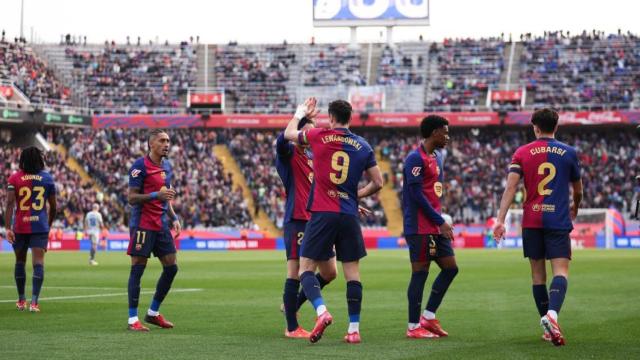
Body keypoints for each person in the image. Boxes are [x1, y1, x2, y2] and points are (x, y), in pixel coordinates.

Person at [284, 98, 384, 344]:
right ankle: (353, 329)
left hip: (322, 212)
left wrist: (299, 113)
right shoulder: (363, 145)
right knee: (352, 273)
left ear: (331, 117)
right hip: (349, 215)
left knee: (305, 268)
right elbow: (378, 182)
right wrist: (354, 195)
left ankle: (321, 311)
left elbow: (288, 134)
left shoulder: (320, 135)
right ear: (350, 117)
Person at [493, 108, 582, 347]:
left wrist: (500, 219)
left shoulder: (522, 152)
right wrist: (576, 206)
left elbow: (510, 188)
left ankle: (546, 325)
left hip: (532, 221)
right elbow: (578, 190)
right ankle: (552, 316)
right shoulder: (569, 152)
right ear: (557, 126)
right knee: (560, 272)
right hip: (558, 220)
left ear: (535, 127)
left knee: (537, 276)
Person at [276, 115, 338, 339]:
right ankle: (291, 327)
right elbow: (281, 140)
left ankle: (292, 304)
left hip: (318, 220)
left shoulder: (313, 157)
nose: (310, 136)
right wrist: (299, 115)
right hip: (298, 219)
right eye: (306, 132)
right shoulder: (289, 155)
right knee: (296, 272)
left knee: (330, 272)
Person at [402, 115, 458, 339]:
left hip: (434, 224)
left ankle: (428, 315)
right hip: (420, 225)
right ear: (434, 132)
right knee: (420, 273)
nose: (447, 136)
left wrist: (439, 219)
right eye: (445, 132)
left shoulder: (436, 157)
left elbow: (431, 193)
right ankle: (413, 326)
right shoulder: (415, 158)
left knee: (451, 268)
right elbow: (416, 196)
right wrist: (440, 221)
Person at [126, 129, 182, 332]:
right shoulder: (139, 166)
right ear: (151, 144)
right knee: (138, 268)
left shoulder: (166, 167)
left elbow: (165, 196)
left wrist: (173, 218)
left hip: (160, 225)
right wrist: (154, 195)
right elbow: (131, 198)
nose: (167, 144)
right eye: (162, 141)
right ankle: (133, 319)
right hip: (142, 224)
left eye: (168, 140)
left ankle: (153, 313)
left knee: (172, 267)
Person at [4, 147, 57, 312]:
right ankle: (34, 302)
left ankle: (21, 300)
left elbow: (10, 204)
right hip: (40, 226)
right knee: (38, 263)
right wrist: (48, 224)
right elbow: (54, 207)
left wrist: (7, 227)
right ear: (39, 160)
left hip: (20, 225)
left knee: (20, 262)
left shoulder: (15, 178)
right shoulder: (47, 178)